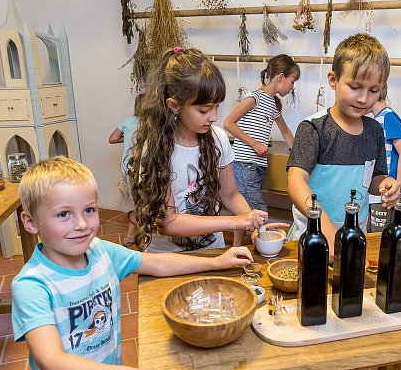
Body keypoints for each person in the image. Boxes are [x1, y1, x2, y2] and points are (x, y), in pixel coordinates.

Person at [11, 156, 254, 370]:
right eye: (64, 214)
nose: (82, 225)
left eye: (89, 210)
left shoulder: (101, 252)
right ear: (31, 222)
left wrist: (215, 262)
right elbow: (52, 363)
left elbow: (157, 264)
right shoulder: (32, 285)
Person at [285, 33, 401, 370]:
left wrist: (385, 184)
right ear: (333, 80)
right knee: (306, 315)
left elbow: (372, 177)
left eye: (374, 90)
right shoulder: (314, 129)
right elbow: (296, 183)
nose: (364, 98)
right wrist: (328, 227)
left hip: (352, 243)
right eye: (355, 86)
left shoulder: (374, 133)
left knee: (349, 313)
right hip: (314, 240)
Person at [129, 47, 286, 253]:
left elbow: (230, 195)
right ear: (174, 105)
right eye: (204, 110)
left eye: (217, 107)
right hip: (168, 259)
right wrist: (236, 222)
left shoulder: (217, 138)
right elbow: (168, 223)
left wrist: (256, 224)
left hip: (212, 252)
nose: (213, 117)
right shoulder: (157, 147)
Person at [224, 54, 299, 211]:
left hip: (259, 165)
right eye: (292, 81)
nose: (293, 87)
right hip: (244, 163)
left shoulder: (274, 104)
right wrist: (255, 143)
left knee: (245, 208)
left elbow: (285, 132)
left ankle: (240, 237)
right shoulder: (254, 98)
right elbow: (228, 123)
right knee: (259, 211)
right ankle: (263, 236)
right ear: (280, 77)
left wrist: (299, 154)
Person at [367, 82, 401, 232]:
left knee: (381, 234)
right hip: (374, 189)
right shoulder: (373, 120)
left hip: (386, 190)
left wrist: (399, 187)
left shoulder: (389, 117)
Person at [108, 93, 145, 247]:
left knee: (138, 201)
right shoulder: (151, 123)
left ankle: (133, 235)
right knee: (142, 202)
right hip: (140, 167)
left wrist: (128, 138)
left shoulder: (129, 120)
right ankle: (131, 235)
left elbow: (112, 139)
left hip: (126, 168)